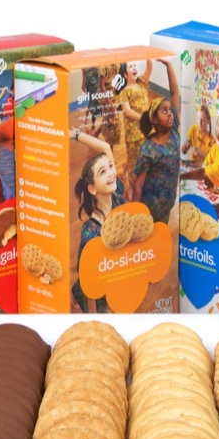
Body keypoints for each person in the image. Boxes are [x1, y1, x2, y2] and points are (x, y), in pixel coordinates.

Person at [70, 128, 124, 312]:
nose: (111, 173)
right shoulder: (90, 232)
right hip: (95, 295)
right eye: (103, 172)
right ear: (92, 189)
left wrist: (76, 135)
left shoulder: (117, 195)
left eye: (110, 166)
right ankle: (73, 298)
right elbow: (88, 281)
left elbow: (106, 147)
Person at [129, 60, 180, 224]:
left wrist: (169, 66)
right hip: (151, 205)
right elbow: (138, 186)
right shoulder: (148, 149)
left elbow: (175, 94)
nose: (170, 114)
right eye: (164, 111)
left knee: (162, 231)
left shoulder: (173, 131)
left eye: (170, 110)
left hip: (169, 199)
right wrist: (134, 216)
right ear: (154, 120)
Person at [117, 59, 153, 193]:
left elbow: (149, 68)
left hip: (145, 131)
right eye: (130, 66)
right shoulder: (124, 92)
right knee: (134, 161)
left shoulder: (142, 83)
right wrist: (143, 118)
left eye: (134, 65)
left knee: (143, 156)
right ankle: (133, 187)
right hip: (133, 134)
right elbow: (127, 111)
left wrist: (147, 55)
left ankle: (127, 169)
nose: (134, 68)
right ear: (125, 75)